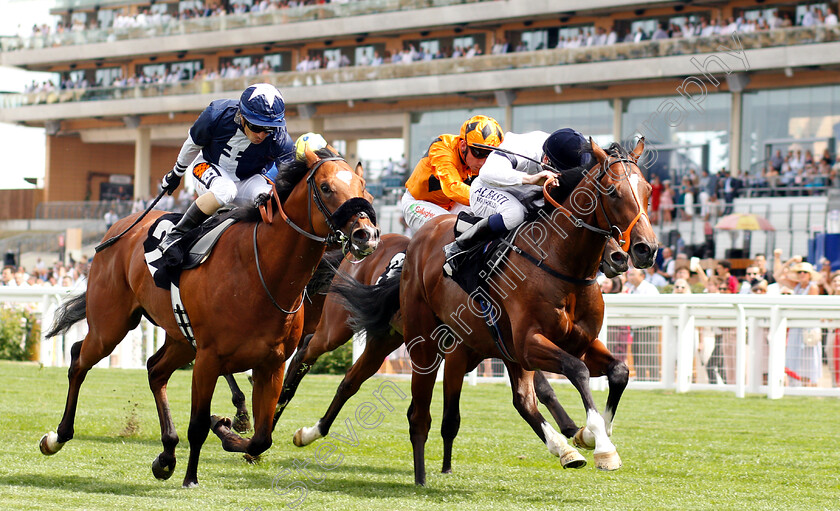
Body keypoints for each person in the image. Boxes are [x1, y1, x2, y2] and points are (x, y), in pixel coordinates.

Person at [157, 83, 295, 266]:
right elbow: (192, 144)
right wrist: (177, 173)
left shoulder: (280, 139)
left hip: (247, 179)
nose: (261, 135)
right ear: (242, 116)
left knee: (268, 197)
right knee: (226, 190)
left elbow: (289, 180)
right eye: (256, 127)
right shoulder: (216, 113)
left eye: (268, 128)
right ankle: (175, 236)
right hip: (206, 166)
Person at [442, 128, 591, 275]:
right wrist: (530, 179)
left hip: (526, 197)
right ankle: (459, 246)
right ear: (546, 159)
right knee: (515, 214)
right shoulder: (524, 145)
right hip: (488, 189)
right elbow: (487, 173)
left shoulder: (575, 157)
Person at [401, 115, 504, 233]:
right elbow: (452, 187)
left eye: (490, 155)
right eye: (479, 153)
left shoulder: (481, 161)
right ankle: (405, 252)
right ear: (463, 145)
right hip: (419, 203)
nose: (483, 162)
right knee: (455, 227)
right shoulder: (442, 148)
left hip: (453, 205)